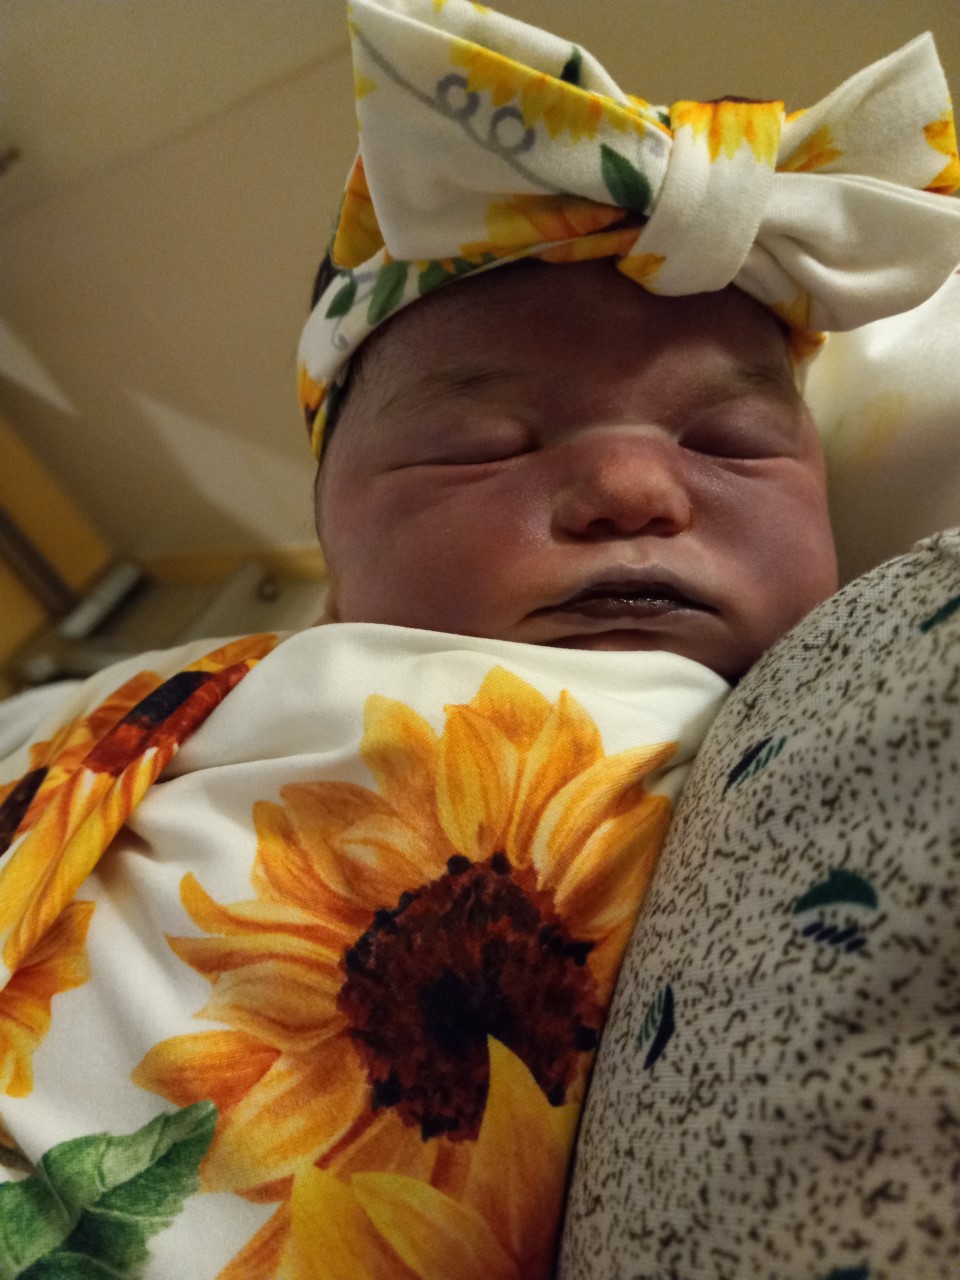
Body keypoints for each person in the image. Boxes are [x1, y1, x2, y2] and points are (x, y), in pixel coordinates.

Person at [0, 2, 958, 1277]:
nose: (632, 486)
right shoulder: (241, 675)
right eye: (482, 446)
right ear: (332, 547)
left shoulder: (796, 737)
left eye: (728, 444)